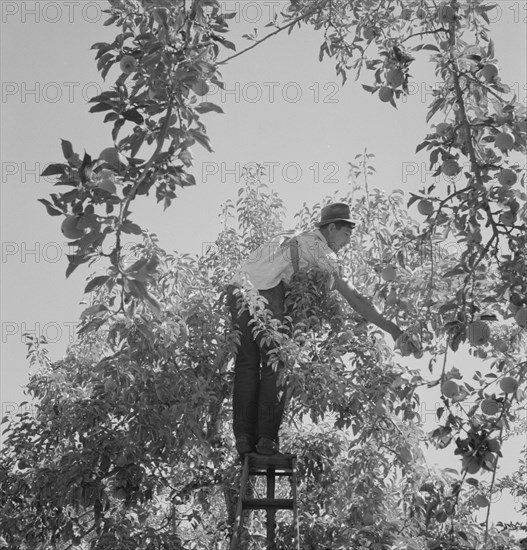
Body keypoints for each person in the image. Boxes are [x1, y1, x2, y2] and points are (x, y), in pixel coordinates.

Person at [226, 202, 403, 456]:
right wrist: (391, 328)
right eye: (345, 235)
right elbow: (355, 298)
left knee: (246, 367)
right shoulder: (319, 248)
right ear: (331, 228)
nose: (346, 242)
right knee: (278, 365)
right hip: (265, 293)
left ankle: (243, 439)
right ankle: (266, 439)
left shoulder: (288, 237)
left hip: (236, 290)